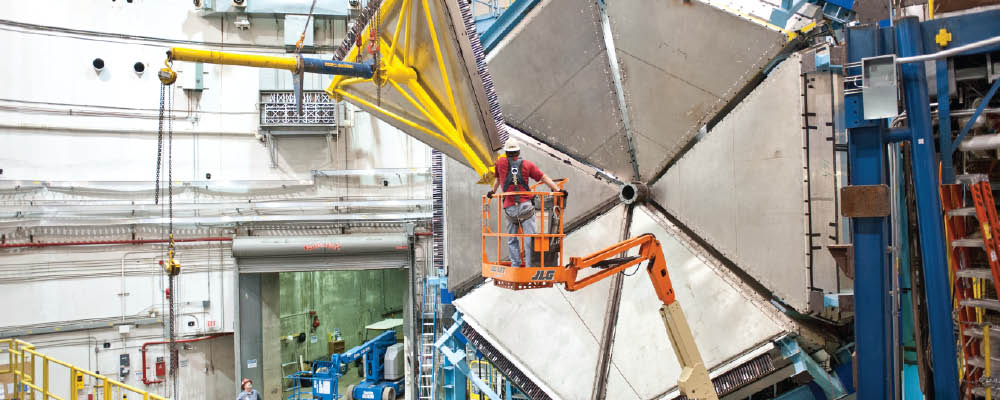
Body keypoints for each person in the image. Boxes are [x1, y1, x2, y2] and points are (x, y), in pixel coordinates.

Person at [487, 140, 566, 268]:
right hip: (526, 209)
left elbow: (498, 180)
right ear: (518, 152)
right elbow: (543, 177)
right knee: (530, 239)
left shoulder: (500, 163)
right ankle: (530, 266)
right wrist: (558, 190)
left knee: (512, 239)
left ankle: (515, 265)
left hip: (510, 209)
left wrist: (492, 192)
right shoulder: (527, 165)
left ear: (506, 153)